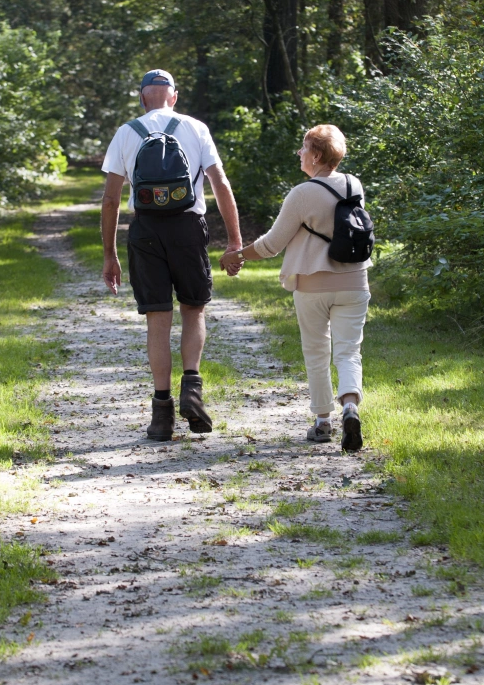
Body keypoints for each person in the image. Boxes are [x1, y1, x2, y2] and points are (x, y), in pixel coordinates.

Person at [101, 69, 243, 441]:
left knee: (157, 318)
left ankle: (161, 414)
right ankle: (192, 390)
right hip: (187, 227)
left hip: (146, 230)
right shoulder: (196, 128)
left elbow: (112, 198)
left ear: (142, 98)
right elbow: (220, 184)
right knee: (193, 308)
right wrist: (234, 240)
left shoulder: (126, 132)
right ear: (174, 97)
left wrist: (109, 255)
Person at [220, 124, 371, 452]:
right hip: (355, 281)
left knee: (317, 351)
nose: (299, 154)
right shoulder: (353, 184)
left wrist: (236, 255)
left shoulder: (302, 193)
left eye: (303, 148)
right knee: (348, 351)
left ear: (316, 155)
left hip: (313, 284)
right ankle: (350, 408)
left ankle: (322, 422)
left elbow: (272, 244)